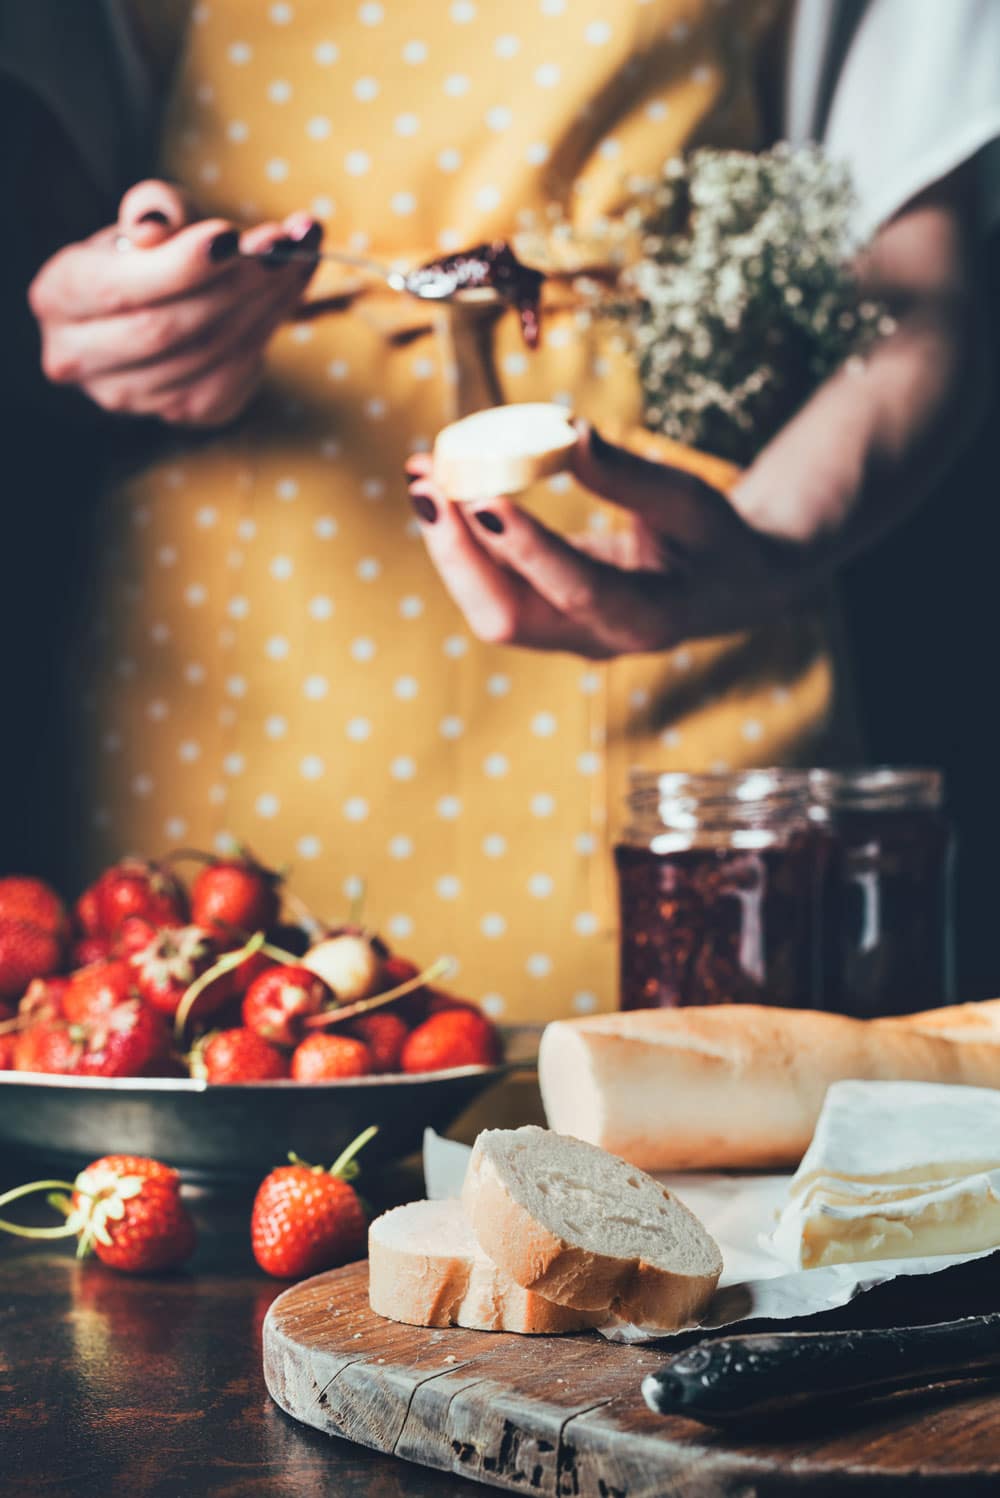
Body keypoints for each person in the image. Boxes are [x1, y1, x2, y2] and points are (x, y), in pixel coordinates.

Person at [6, 0, 1000, 1020]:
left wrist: (773, 540)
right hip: (227, 647)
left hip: (684, 611)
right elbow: (37, 251)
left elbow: (915, 298)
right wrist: (111, 319)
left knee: (711, 1132)